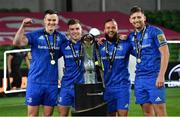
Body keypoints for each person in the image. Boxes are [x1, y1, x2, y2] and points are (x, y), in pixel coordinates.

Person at [13, 9, 68, 116]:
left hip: (51, 83)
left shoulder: (62, 38)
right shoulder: (35, 34)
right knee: (32, 115)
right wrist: (23, 26)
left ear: (57, 22)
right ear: (44, 20)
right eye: (49, 20)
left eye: (54, 20)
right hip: (35, 82)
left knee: (47, 115)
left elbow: (69, 53)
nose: (51, 22)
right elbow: (17, 42)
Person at [128, 6, 169, 116]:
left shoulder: (155, 32)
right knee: (147, 113)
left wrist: (161, 75)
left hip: (154, 77)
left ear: (144, 18)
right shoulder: (131, 37)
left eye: (139, 17)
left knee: (160, 112)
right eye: (134, 18)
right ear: (130, 20)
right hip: (139, 79)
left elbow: (165, 53)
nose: (136, 20)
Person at [98, 19, 133, 116]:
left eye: (113, 27)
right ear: (104, 30)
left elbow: (140, 52)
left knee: (123, 115)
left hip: (123, 86)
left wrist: (129, 38)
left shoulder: (126, 44)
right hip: (107, 87)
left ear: (117, 29)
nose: (111, 30)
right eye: (108, 28)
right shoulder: (100, 46)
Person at [57, 19, 84, 116]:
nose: (75, 31)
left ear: (81, 30)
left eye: (77, 28)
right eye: (72, 29)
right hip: (66, 86)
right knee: (63, 115)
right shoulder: (63, 46)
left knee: (81, 115)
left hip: (82, 87)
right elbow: (51, 60)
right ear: (68, 31)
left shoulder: (89, 44)